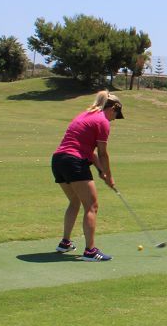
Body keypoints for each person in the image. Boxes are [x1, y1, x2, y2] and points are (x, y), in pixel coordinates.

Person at [51, 90, 124, 261]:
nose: (114, 119)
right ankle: (90, 251)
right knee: (92, 206)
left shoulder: (85, 115)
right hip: (73, 161)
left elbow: (88, 151)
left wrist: (100, 171)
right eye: (116, 114)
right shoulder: (102, 121)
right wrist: (109, 176)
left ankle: (65, 243)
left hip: (58, 161)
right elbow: (103, 153)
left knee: (75, 201)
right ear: (113, 108)